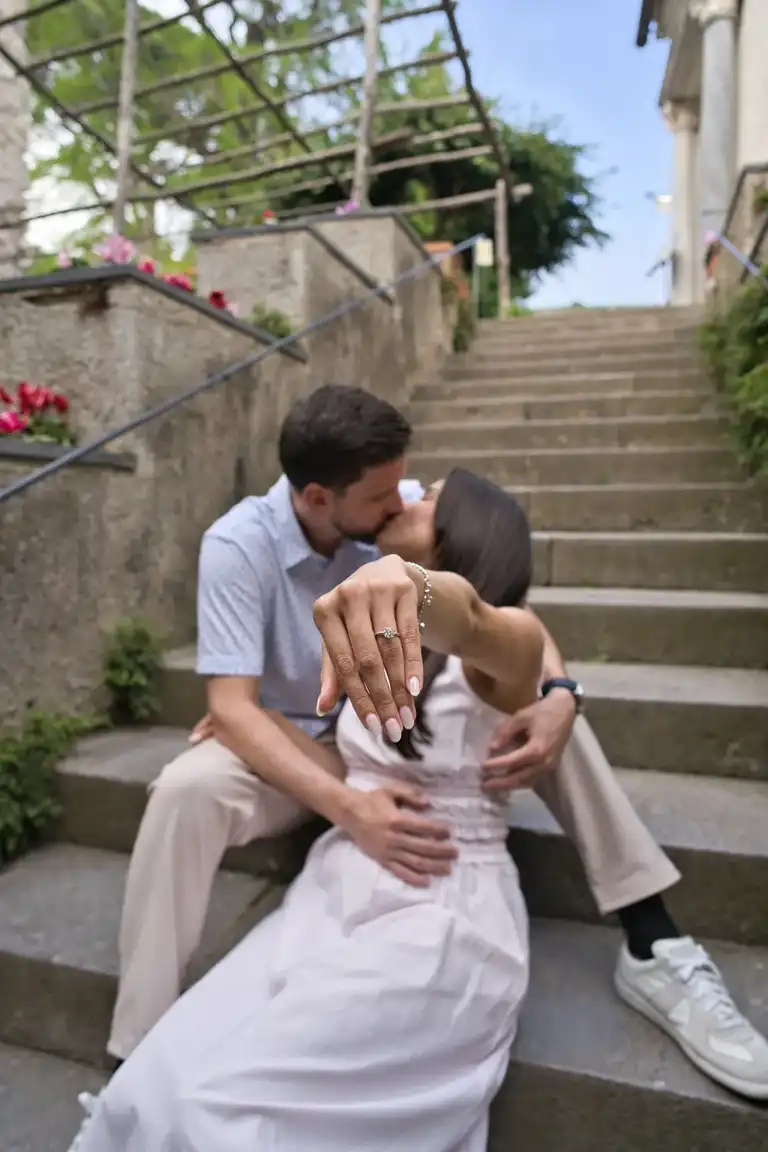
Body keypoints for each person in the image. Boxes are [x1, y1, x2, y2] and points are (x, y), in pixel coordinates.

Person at [104, 384, 768, 1101]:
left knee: (545, 719)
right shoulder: (240, 545)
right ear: (321, 499)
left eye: (408, 489)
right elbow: (231, 710)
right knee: (186, 788)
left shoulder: (388, 502)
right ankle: (136, 1043)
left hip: (396, 723)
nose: (403, 501)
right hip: (297, 738)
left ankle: (653, 936)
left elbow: (498, 603)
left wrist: (561, 692)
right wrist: (349, 808)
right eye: (385, 498)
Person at [71, 472, 543, 1152]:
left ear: (470, 530)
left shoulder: (509, 643)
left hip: (440, 905)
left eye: (432, 495)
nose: (410, 496)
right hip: (334, 887)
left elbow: (475, 623)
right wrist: (251, 720)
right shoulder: (371, 627)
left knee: (223, 1111)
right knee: (159, 1082)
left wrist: (417, 587)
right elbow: (359, 767)